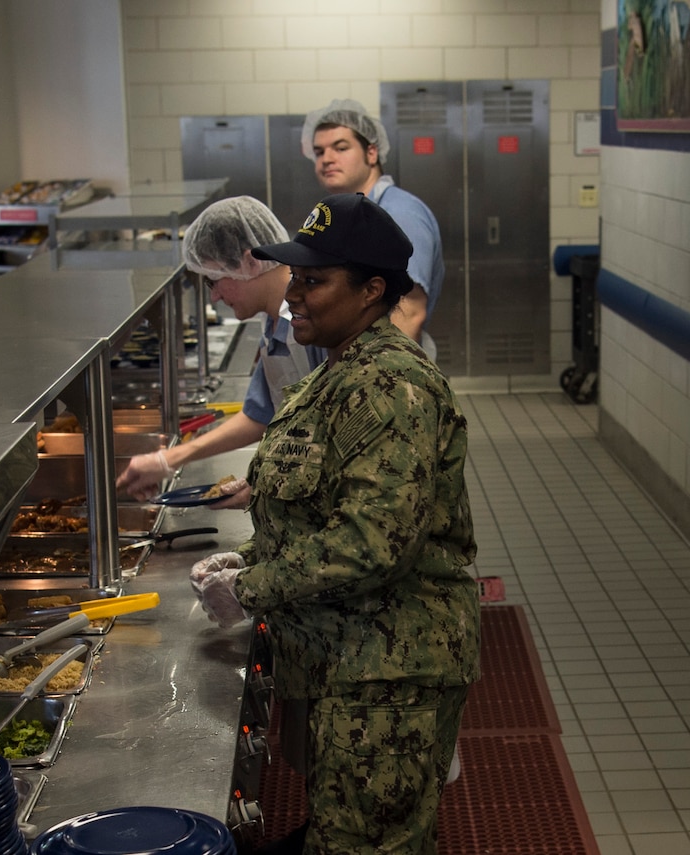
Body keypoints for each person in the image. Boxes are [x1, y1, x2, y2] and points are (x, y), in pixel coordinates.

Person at [191, 193, 479, 854]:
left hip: (390, 674)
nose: (294, 293)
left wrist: (254, 585)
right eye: (295, 275)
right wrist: (255, 553)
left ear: (372, 290)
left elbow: (371, 544)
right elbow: (322, 507)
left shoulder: (391, 388)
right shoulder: (337, 374)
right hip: (348, 663)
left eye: (315, 280)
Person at [115, 196, 322, 504]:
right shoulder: (272, 322)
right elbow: (259, 414)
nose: (214, 298)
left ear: (250, 261)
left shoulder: (312, 322)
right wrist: (167, 461)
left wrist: (273, 483)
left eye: (213, 282)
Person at [303, 99, 444, 360]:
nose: (327, 159)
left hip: (384, 375)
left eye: (340, 147)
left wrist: (367, 384)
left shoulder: (400, 214)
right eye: (319, 152)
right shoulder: (348, 218)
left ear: (371, 153)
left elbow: (409, 313)